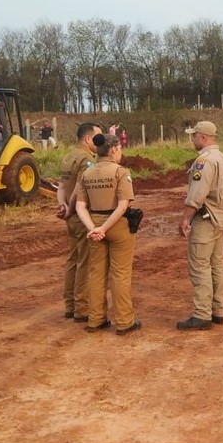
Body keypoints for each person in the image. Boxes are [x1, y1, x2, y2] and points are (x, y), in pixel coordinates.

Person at [76, 133, 141, 335]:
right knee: (120, 274)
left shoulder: (87, 173)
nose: (120, 152)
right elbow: (123, 205)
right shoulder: (121, 172)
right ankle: (124, 322)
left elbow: (80, 206)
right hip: (117, 226)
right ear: (113, 150)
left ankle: (95, 319)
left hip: (94, 225)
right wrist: (104, 229)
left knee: (96, 273)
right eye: (120, 149)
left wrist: (93, 229)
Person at [177, 121, 223, 330]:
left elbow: (197, 195)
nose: (192, 139)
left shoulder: (205, 161)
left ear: (203, 137)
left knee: (200, 266)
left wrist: (185, 219)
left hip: (206, 220)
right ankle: (219, 311)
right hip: (220, 220)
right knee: (216, 264)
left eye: (194, 136)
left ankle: (202, 314)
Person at [56, 122, 102, 322]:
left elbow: (61, 186)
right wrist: (72, 208)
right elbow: (78, 189)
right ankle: (81, 308)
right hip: (81, 216)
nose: (100, 143)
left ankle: (70, 305)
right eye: (98, 138)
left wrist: (63, 206)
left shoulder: (68, 156)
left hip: (70, 216)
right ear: (88, 139)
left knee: (73, 259)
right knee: (85, 261)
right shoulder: (86, 160)